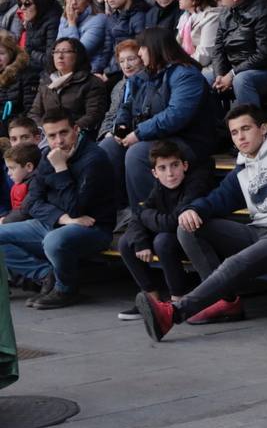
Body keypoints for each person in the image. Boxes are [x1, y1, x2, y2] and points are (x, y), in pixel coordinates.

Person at [136, 104, 267, 335]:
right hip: (258, 231)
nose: (240, 137)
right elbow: (217, 199)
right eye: (234, 132)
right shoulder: (242, 168)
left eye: (246, 129)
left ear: (262, 129)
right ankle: (225, 301)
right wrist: (192, 209)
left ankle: (174, 313)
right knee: (188, 228)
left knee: (234, 263)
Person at [0, 108, 115, 309]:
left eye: (64, 133)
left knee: (54, 240)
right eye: (52, 136)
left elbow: (76, 209)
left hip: (92, 228)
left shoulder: (94, 159)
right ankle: (45, 275)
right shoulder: (47, 156)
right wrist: (63, 218)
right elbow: (32, 203)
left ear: (76, 130)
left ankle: (66, 289)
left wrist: (61, 169)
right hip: (56, 223)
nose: (59, 141)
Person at [105, 27, 222, 210]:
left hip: (188, 140)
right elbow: (127, 104)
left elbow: (175, 115)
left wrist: (138, 133)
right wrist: (121, 127)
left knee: (138, 153)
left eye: (142, 48)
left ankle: (147, 214)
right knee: (109, 147)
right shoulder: (145, 75)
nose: (140, 53)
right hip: (156, 135)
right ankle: (120, 211)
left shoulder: (186, 75)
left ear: (154, 48)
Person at [115, 140, 212, 319]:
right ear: (154, 173)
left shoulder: (194, 185)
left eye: (174, 165)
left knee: (163, 240)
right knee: (126, 242)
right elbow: (139, 215)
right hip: (170, 234)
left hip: (193, 239)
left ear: (185, 165)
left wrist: (144, 215)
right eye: (163, 168)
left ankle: (178, 300)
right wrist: (141, 241)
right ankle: (151, 300)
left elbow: (172, 223)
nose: (170, 174)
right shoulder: (160, 186)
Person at [30, 37, 107, 137]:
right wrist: (46, 131)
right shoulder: (46, 82)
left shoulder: (91, 82)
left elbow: (94, 115)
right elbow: (34, 113)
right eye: (56, 52)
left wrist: (67, 131)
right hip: (47, 136)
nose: (60, 56)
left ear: (78, 56)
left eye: (66, 51)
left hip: (79, 135)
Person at [55, 0, 110, 74]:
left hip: (90, 72)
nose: (73, 2)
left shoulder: (99, 19)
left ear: (88, 1)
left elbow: (78, 54)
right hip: (67, 71)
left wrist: (72, 23)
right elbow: (57, 48)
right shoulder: (64, 18)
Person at [176, 0, 221, 78]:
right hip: (187, 65)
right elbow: (176, 47)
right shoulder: (186, 18)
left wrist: (180, 64)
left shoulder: (212, 18)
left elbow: (204, 56)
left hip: (207, 70)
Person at [15, 0, 61, 73]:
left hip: (44, 73)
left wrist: (32, 53)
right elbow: (26, 50)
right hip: (32, 67)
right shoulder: (31, 22)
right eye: (20, 4)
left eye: (27, 4)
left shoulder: (53, 23)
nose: (22, 8)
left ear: (40, 4)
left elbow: (50, 60)